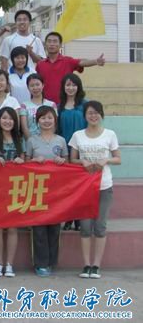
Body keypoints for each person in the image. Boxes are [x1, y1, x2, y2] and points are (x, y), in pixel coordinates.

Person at [70, 101, 121, 279]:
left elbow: (118, 158)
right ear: (85, 116)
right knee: (85, 227)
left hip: (104, 186)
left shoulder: (110, 134)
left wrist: (105, 160)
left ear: (101, 115)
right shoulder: (78, 135)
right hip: (84, 187)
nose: (93, 116)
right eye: (89, 113)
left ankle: (96, 266)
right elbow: (72, 160)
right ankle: (86, 265)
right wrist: (82, 162)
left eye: (96, 112)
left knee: (100, 227)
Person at [25, 106, 68, 277]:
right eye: (43, 118)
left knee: (55, 227)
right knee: (39, 228)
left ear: (55, 120)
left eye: (50, 117)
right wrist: (35, 160)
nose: (46, 121)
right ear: (37, 121)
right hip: (37, 190)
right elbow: (25, 164)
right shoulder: (31, 140)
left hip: (56, 190)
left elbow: (68, 164)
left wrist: (62, 161)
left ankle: (51, 261)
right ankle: (40, 263)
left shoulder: (61, 141)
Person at [0, 107, 25, 278]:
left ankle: (9, 264)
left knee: (13, 227)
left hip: (15, 189)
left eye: (10, 119)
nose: (7, 121)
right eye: (4, 118)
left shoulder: (20, 140)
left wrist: (21, 161)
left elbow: (26, 163)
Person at [36, 31, 105, 104]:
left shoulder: (68, 61)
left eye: (55, 41)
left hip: (64, 105)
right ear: (45, 44)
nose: (52, 44)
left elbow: (81, 62)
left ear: (60, 45)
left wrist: (95, 61)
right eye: (49, 41)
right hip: (46, 104)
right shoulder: (40, 64)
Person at [58, 73, 88, 232]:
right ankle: (68, 218)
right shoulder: (59, 106)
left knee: (80, 186)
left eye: (73, 85)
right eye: (68, 85)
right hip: (65, 150)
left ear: (78, 87)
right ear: (63, 87)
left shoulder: (85, 105)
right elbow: (57, 129)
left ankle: (79, 219)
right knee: (67, 187)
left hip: (82, 151)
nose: (70, 88)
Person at [20, 73, 57, 139]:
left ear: (43, 85)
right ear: (28, 88)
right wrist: (31, 142)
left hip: (48, 141)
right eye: (32, 85)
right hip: (30, 141)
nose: (35, 88)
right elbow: (24, 127)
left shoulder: (51, 105)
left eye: (37, 84)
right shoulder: (24, 105)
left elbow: (54, 125)